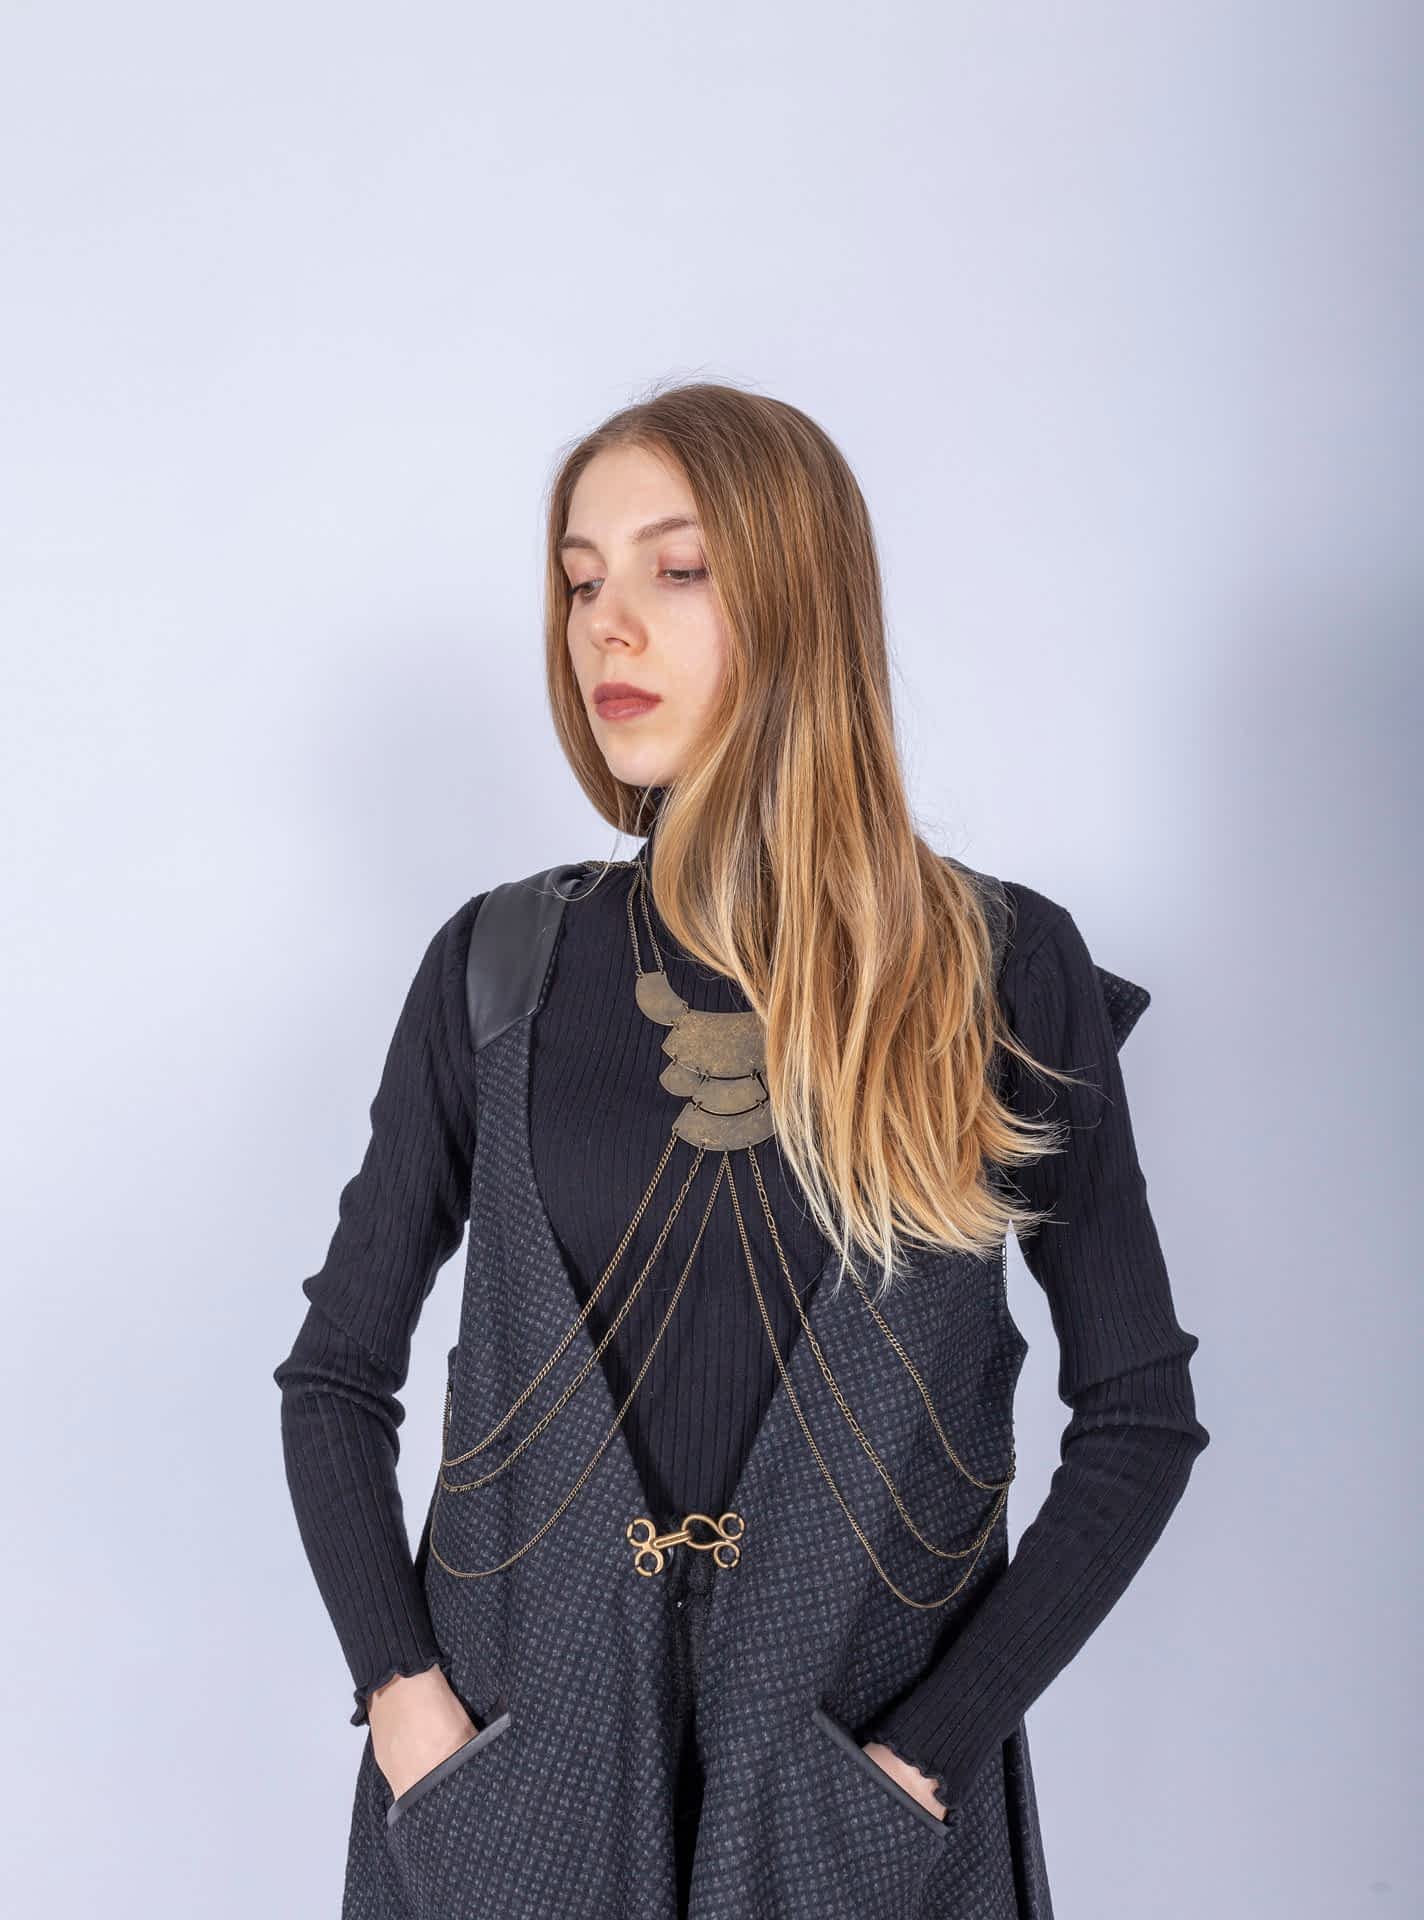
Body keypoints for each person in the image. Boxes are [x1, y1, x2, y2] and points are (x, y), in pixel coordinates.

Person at [273, 380, 1209, 1920]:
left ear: (799, 595)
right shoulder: (498, 970)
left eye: (678, 568)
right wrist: (406, 1711)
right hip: (511, 1811)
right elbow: (333, 1379)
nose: (608, 625)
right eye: (581, 581)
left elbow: (1138, 1417)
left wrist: (927, 1759)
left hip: (863, 1836)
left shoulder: (992, 970)